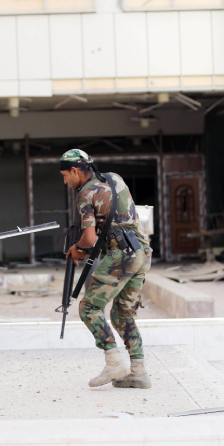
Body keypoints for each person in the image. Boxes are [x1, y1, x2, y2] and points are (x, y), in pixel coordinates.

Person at [60, 149, 152, 389]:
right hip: (141, 252)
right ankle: (139, 372)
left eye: (65, 176)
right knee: (123, 315)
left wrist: (78, 247)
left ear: (75, 170)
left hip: (121, 255)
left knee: (89, 307)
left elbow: (89, 239)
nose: (65, 181)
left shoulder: (85, 193)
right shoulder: (114, 178)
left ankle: (113, 362)